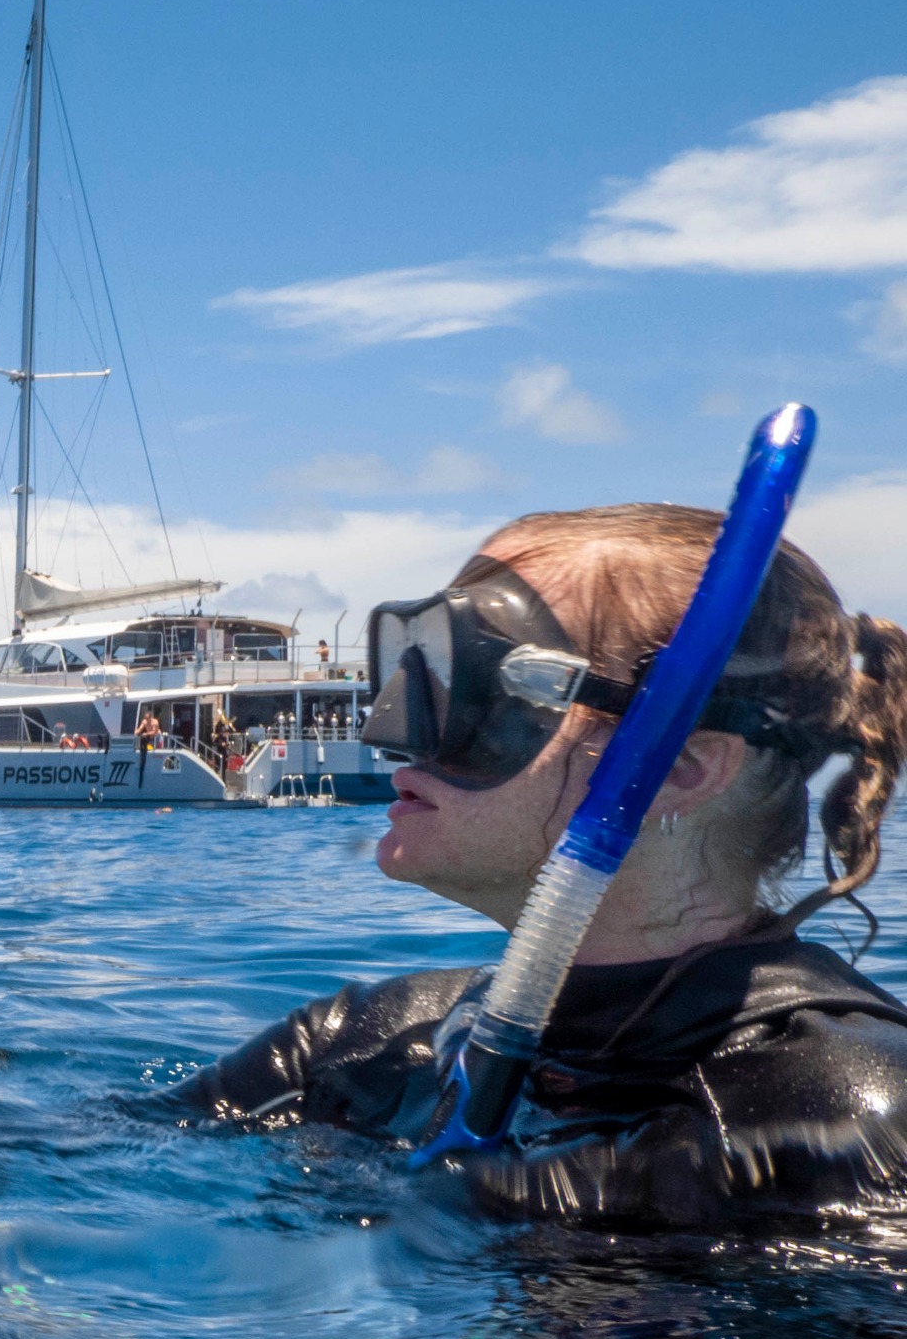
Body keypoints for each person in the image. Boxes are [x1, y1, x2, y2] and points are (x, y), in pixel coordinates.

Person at [183, 504, 907, 1229]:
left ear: (678, 768)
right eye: (420, 669)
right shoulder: (366, 1046)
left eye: (478, 687)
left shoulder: (850, 1119)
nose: (392, 732)